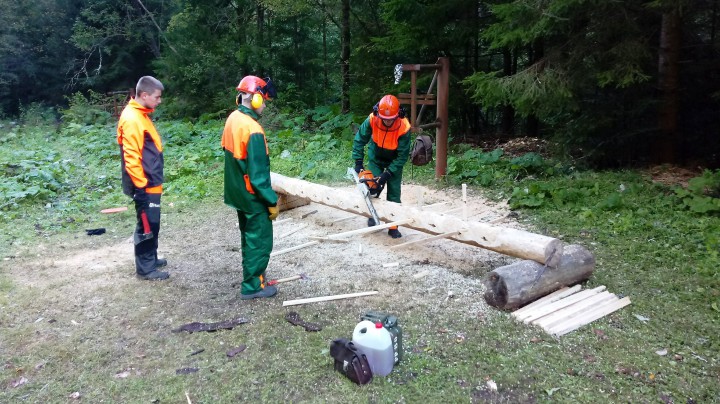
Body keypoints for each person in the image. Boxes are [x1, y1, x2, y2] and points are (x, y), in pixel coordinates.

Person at [221, 75, 280, 300]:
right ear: (255, 99)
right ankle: (253, 286)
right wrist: (271, 201)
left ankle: (253, 276)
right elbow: (258, 175)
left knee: (249, 237)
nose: (265, 105)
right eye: (264, 100)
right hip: (252, 196)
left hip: (237, 193)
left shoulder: (233, 119)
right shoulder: (253, 129)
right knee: (260, 240)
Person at [117, 76, 169, 280]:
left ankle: (151, 258)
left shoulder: (141, 114)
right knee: (147, 223)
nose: (159, 101)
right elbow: (131, 157)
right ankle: (146, 269)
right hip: (144, 184)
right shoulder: (132, 118)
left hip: (150, 181)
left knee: (153, 222)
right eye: (157, 97)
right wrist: (140, 188)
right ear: (144, 95)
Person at [352, 94, 412, 238]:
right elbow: (360, 139)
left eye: (390, 119)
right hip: (376, 155)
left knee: (394, 192)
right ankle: (373, 215)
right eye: (384, 119)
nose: (387, 122)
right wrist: (358, 161)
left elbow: (402, 155)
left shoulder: (404, 126)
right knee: (372, 186)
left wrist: (388, 173)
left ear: (398, 115)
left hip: (394, 159)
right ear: (378, 113)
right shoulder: (372, 119)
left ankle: (393, 226)